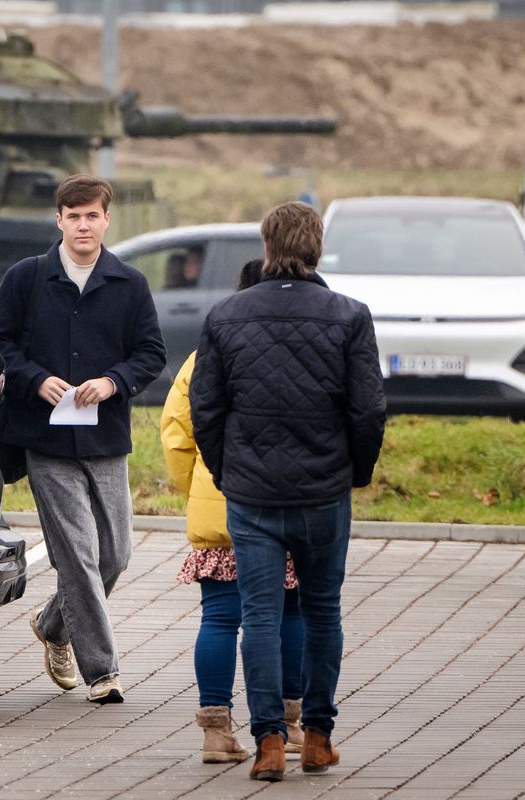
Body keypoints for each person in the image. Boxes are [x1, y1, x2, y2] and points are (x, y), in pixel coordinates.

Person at [190, 201, 385, 780]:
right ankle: (318, 737)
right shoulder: (350, 316)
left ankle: (270, 742)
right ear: (317, 248)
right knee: (323, 613)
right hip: (324, 492)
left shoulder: (225, 316)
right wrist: (356, 471)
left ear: (267, 247)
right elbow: (368, 409)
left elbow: (205, 409)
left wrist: (230, 472)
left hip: (252, 495)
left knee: (259, 615)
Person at [0, 174, 166, 704]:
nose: (83, 224)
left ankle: (53, 625)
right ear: (58, 220)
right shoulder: (27, 278)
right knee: (78, 558)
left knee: (114, 556)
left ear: (107, 220)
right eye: (73, 215)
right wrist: (36, 378)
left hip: (107, 439)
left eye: (92, 215)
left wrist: (113, 382)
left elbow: (150, 353)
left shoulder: (129, 283)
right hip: (45, 443)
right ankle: (102, 671)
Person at [161, 259, 305, 765]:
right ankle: (291, 726)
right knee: (290, 612)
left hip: (219, 503)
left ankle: (215, 733)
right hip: (285, 498)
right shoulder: (295, 347)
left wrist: (198, 487)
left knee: (220, 618)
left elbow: (177, 433)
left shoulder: (207, 352)